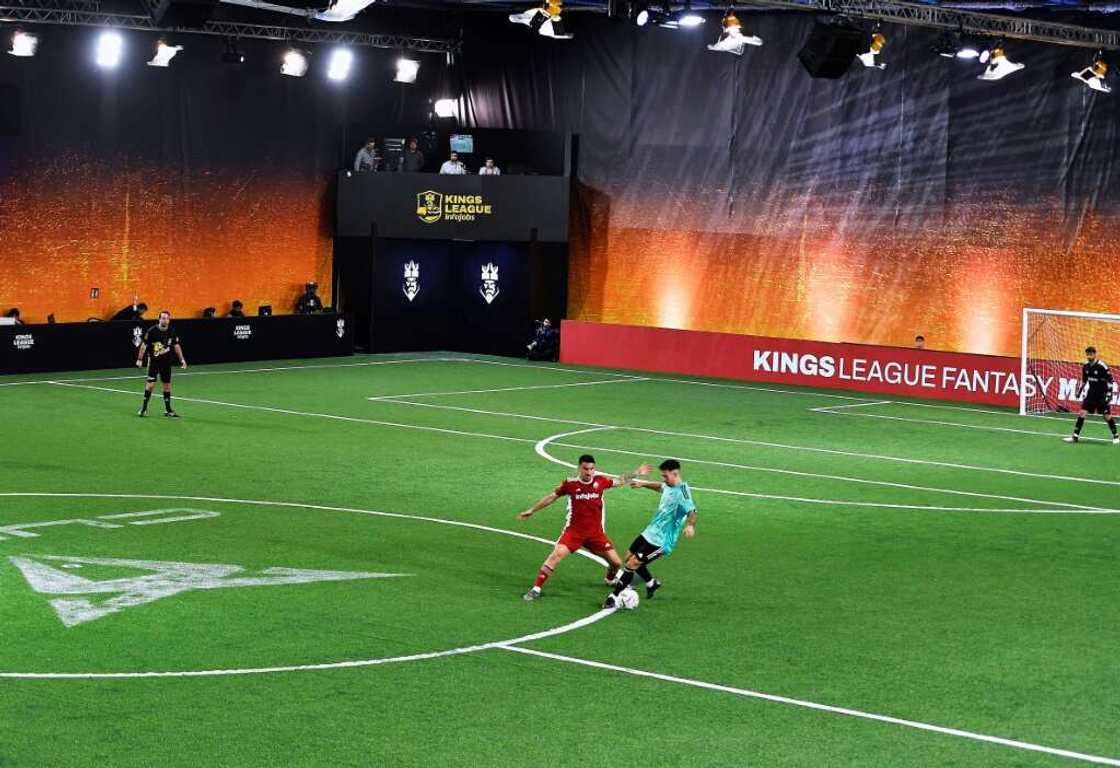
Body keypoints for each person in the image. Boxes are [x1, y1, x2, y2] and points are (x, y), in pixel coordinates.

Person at [518, 454, 651, 601]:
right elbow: (552, 496)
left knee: (616, 563)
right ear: (579, 468)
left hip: (595, 534)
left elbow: (620, 481)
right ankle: (536, 588)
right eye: (586, 469)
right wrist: (531, 510)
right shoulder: (569, 484)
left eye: (592, 469)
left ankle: (610, 579)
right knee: (556, 555)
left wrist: (637, 473)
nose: (589, 472)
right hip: (574, 532)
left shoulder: (600, 481)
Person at [604, 459, 697, 609]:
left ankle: (613, 597)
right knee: (629, 556)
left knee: (631, 564)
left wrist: (690, 525)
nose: (663, 479)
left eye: (666, 476)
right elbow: (660, 487)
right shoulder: (668, 484)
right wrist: (643, 484)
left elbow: (692, 511)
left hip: (661, 541)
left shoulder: (683, 493)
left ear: (676, 473)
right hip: (650, 531)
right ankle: (651, 583)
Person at [135, 310, 186, 418]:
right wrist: (140, 359)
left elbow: (176, 346)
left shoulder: (172, 331)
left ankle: (168, 410)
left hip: (166, 362)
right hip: (154, 361)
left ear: (169, 320)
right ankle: (144, 408)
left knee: (167, 386)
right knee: (150, 385)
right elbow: (144, 345)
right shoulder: (152, 331)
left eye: (167, 318)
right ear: (159, 319)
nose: (165, 320)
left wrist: (182, 359)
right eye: (163, 318)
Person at [1064, 346, 1118, 444]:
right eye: (1088, 353)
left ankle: (1116, 436)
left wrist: (1109, 394)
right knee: (1082, 413)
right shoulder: (1086, 366)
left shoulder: (1102, 366)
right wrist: (1079, 391)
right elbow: (1084, 380)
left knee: (1107, 416)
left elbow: (1110, 380)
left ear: (1095, 354)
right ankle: (1075, 436)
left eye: (1091, 353)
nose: (1089, 355)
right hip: (1091, 394)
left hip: (1102, 394)